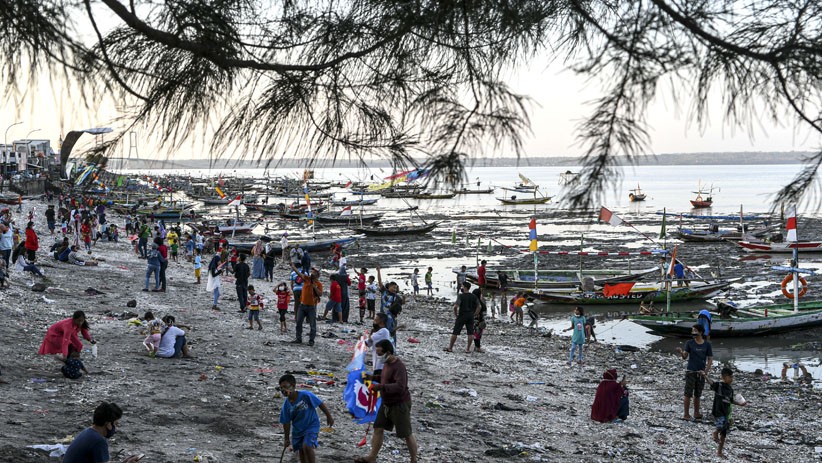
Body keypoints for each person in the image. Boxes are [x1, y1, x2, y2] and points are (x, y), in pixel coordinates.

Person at [356, 339, 418, 463]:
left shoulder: (399, 366)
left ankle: (413, 460)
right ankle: (372, 457)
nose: (378, 356)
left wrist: (381, 387)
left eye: (380, 353)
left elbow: (400, 386)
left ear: (388, 352)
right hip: (386, 403)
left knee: (406, 433)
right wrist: (372, 378)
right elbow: (385, 379)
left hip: (399, 404)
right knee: (378, 428)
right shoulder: (387, 364)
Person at [278, 374, 334, 463]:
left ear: (293, 386)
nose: (283, 390)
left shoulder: (305, 395)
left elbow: (319, 403)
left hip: (311, 425)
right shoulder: (286, 405)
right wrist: (286, 438)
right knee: (302, 452)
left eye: (285, 387)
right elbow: (286, 422)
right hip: (298, 431)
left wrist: (329, 416)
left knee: (307, 446)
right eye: (281, 388)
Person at [62, 402, 142, 463]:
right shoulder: (99, 441)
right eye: (115, 424)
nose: (115, 428)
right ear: (107, 424)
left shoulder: (88, 432)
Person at [703, 368, 747, 457]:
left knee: (724, 433)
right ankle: (715, 432)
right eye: (730, 377)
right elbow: (711, 382)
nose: (731, 379)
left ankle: (719, 452)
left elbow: (731, 400)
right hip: (718, 410)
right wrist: (705, 376)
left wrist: (740, 404)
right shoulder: (719, 386)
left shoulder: (730, 389)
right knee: (722, 426)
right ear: (724, 377)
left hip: (726, 412)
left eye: (732, 377)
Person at [676, 324, 713, 421]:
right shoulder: (690, 343)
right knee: (688, 393)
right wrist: (680, 352)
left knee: (698, 394)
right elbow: (685, 356)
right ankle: (686, 414)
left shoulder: (707, 345)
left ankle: (696, 413)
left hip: (701, 373)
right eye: (692, 331)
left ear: (700, 332)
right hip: (691, 371)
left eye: (695, 331)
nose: (694, 333)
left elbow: (710, 359)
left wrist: (706, 371)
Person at [290, 262, 323, 346]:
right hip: (302, 305)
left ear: (317, 275)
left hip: (311, 306)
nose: (312, 273)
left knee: (312, 325)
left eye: (314, 272)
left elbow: (320, 294)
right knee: (299, 322)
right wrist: (293, 267)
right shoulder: (307, 279)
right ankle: (298, 338)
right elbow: (299, 274)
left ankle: (311, 341)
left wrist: (314, 286)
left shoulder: (318, 284)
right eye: (312, 272)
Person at [445, 281, 479, 353]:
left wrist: (456, 314)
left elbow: (455, 307)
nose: (461, 288)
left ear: (465, 287)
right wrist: (475, 314)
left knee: (455, 332)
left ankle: (450, 347)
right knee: (470, 333)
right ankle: (467, 349)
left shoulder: (461, 296)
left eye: (462, 286)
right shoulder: (473, 296)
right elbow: (479, 306)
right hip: (470, 315)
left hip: (462, 315)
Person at [365, 313, 392, 381]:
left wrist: (370, 334)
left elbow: (371, 339)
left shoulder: (384, 331)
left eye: (376, 318)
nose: (374, 319)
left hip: (381, 362)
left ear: (381, 320)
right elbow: (368, 344)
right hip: (376, 361)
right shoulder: (378, 331)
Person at [470, 288, 487, 353]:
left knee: (475, 333)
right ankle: (478, 347)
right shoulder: (479, 303)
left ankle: (476, 346)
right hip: (479, 320)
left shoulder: (471, 302)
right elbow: (484, 309)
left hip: (472, 320)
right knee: (478, 334)